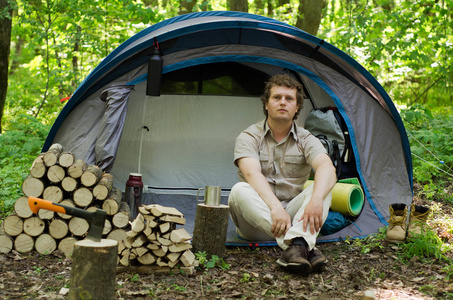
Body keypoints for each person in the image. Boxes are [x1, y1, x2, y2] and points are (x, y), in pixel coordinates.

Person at [228, 74, 337, 275]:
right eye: (277, 98)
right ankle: (302, 243)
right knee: (238, 190)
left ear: (297, 107)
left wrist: (316, 199)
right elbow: (251, 174)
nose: (283, 103)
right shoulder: (249, 136)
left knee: (323, 186)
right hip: (255, 221)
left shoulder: (306, 138)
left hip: (293, 216)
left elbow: (327, 167)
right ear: (267, 105)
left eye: (289, 99)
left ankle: (296, 247)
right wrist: (275, 207)